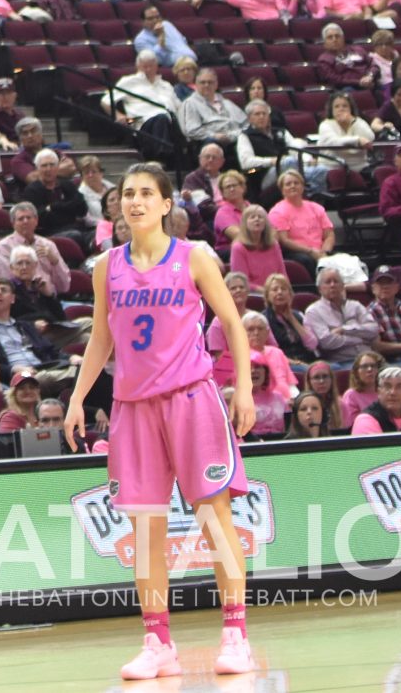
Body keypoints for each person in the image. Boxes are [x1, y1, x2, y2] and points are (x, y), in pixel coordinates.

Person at [62, 163, 256, 677]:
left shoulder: (194, 257)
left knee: (215, 519)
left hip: (192, 399)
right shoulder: (107, 265)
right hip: (133, 407)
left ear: (168, 204)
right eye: (128, 194)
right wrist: (79, 396)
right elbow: (101, 336)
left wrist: (245, 389)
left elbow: (233, 324)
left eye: (147, 193)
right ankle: (158, 643)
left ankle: (235, 634)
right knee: (146, 529)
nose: (136, 201)